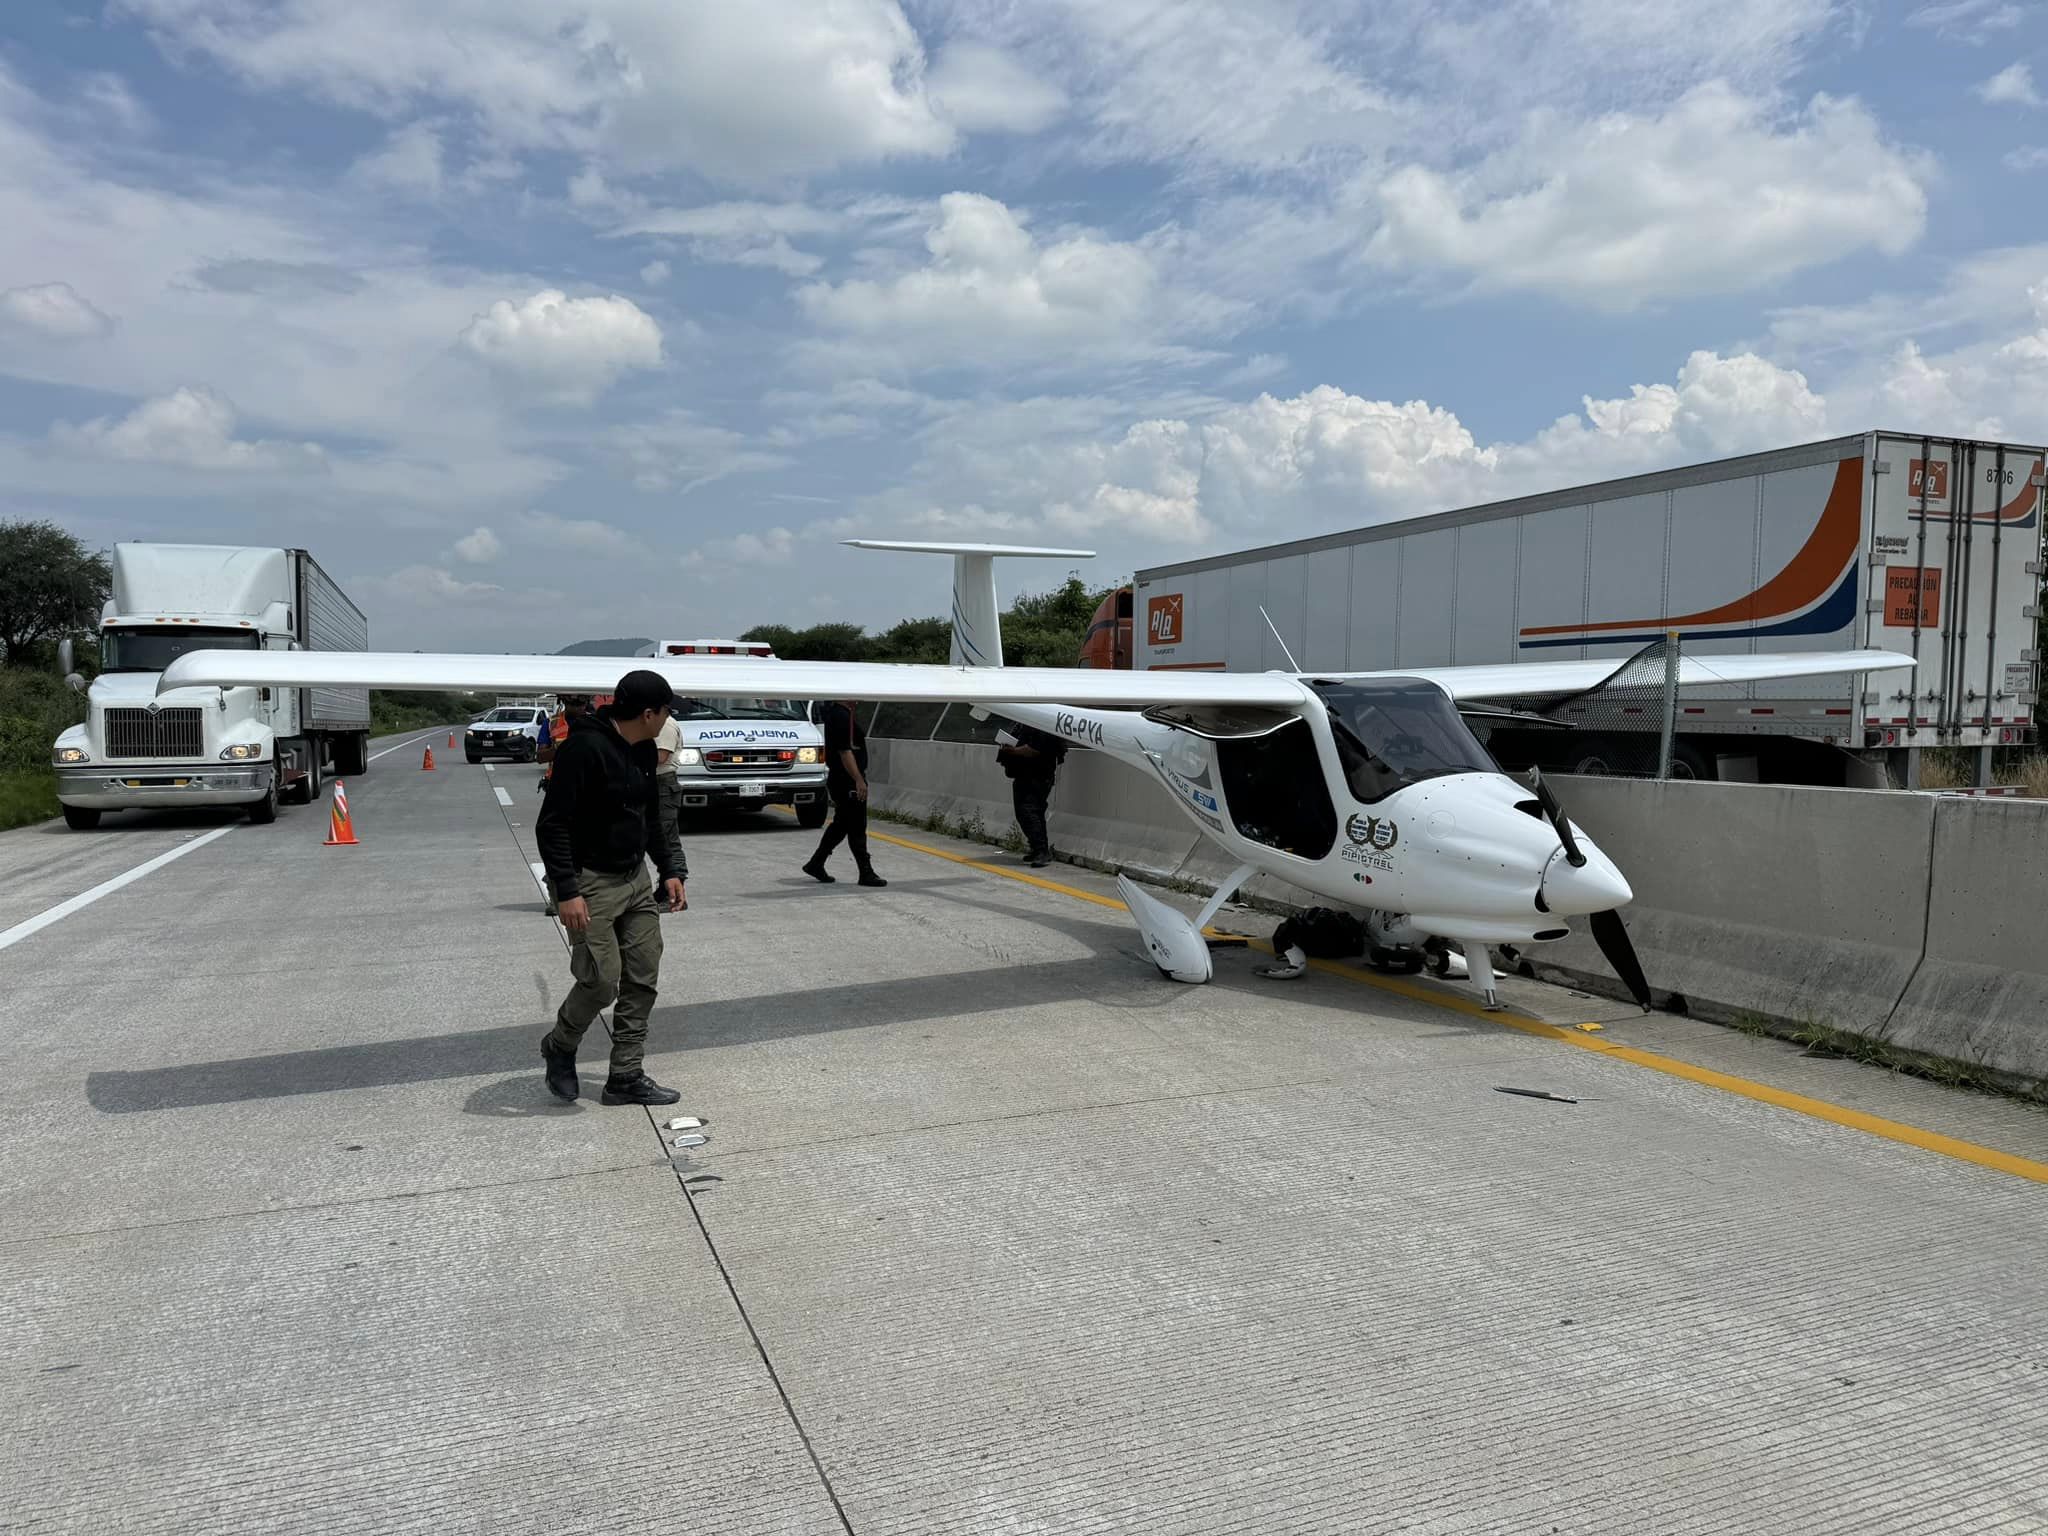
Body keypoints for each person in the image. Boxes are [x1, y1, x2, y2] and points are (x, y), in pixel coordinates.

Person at [535, 670, 689, 1107]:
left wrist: (670, 869)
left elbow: (652, 815)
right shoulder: (583, 748)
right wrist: (567, 890)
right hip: (591, 882)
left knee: (643, 975)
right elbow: (552, 826)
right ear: (648, 713)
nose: (667, 718)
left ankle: (625, 1075)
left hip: (635, 879)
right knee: (602, 981)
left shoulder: (642, 749)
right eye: (665, 710)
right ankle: (560, 1045)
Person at [801, 699, 886, 887]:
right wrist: (858, 779)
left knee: (842, 824)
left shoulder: (841, 714)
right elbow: (845, 752)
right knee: (856, 825)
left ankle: (816, 863)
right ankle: (866, 872)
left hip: (843, 778)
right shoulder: (841, 715)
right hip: (846, 780)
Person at [996, 720, 1066, 867]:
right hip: (1027, 774)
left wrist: (1013, 751)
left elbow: (1034, 749)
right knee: (1032, 812)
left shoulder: (1042, 723)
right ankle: (1038, 849)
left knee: (1028, 812)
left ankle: (1042, 851)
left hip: (1038, 776)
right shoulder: (1028, 721)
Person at [651, 703, 691, 896]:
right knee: (666, 838)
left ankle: (672, 888)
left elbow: (661, 756)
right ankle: (670, 887)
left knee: (665, 838)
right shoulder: (659, 723)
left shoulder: (666, 725)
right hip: (657, 783)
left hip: (663, 784)